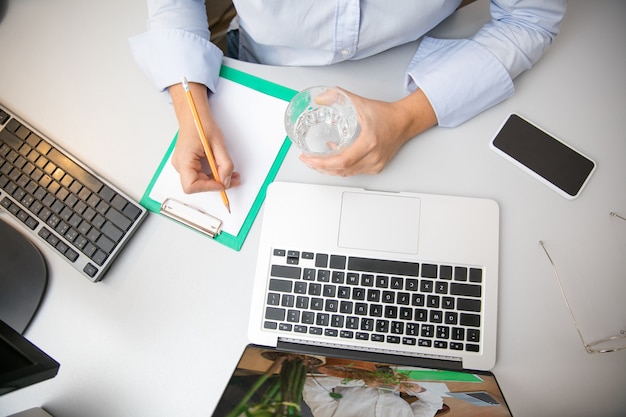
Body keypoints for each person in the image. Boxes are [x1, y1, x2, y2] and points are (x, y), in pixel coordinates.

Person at [130, 0, 566, 195]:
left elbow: (531, 18)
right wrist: (190, 111)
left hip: (416, 74)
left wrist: (408, 118)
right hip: (260, 72)